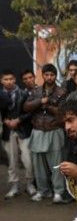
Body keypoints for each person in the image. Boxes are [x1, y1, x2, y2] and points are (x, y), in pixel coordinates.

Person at [23, 64, 67, 203]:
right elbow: (26, 107)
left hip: (54, 130)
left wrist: (47, 106)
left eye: (52, 75)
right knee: (39, 165)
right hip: (37, 131)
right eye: (46, 74)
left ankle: (58, 192)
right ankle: (43, 191)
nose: (49, 77)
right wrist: (39, 101)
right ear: (42, 75)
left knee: (56, 164)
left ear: (55, 76)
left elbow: (63, 113)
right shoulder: (36, 92)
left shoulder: (62, 92)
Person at [0, 69, 36, 198]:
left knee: (28, 159)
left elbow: (30, 112)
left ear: (15, 80)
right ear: (1, 81)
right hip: (8, 131)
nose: (8, 82)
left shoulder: (23, 94)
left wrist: (18, 120)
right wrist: (6, 121)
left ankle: (30, 184)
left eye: (11, 79)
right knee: (12, 160)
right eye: (6, 79)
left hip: (24, 130)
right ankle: (14, 186)